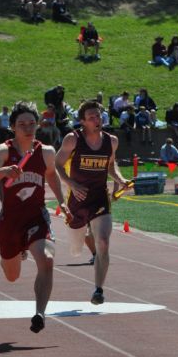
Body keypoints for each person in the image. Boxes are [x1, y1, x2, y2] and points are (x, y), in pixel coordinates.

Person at [0, 101, 68, 333]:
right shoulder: (3, 151)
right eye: (22, 124)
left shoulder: (46, 152)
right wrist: (3, 171)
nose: (28, 128)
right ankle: (12, 256)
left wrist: (62, 202)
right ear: (13, 127)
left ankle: (40, 313)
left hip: (36, 218)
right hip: (10, 222)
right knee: (12, 276)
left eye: (32, 123)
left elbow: (52, 176)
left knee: (47, 258)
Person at [55, 100, 128, 306]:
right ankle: (82, 238)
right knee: (76, 248)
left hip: (99, 197)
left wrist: (120, 180)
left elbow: (111, 166)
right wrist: (71, 183)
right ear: (82, 122)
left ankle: (98, 290)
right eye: (92, 117)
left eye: (99, 115)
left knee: (103, 242)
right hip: (77, 199)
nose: (98, 120)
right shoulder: (73, 139)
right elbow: (58, 164)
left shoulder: (111, 141)